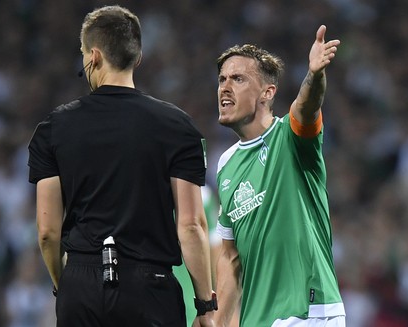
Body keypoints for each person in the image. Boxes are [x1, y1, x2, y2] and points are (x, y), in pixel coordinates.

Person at [27, 5, 216, 327]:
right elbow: (191, 225)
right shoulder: (177, 126)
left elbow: (47, 233)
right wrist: (205, 306)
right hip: (150, 287)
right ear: (137, 59)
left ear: (94, 56)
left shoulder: (53, 128)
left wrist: (65, 284)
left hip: (81, 283)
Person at [213, 25, 345, 327]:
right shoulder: (225, 165)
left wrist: (314, 75)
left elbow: (307, 107)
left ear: (267, 93)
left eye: (238, 78)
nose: (224, 87)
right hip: (256, 319)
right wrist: (216, 322)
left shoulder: (290, 137)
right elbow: (230, 257)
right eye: (221, 79)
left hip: (308, 312)